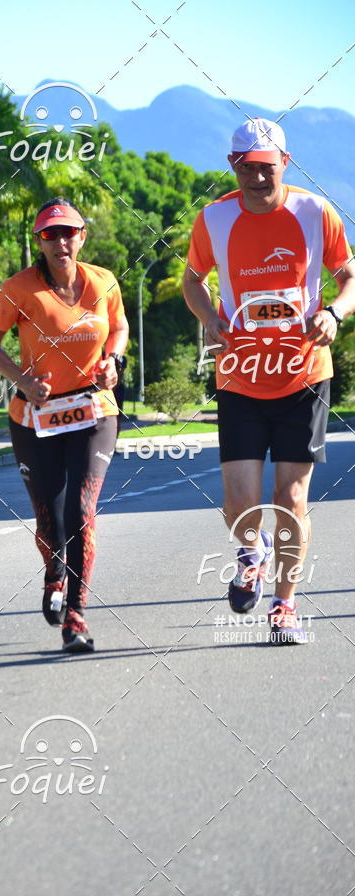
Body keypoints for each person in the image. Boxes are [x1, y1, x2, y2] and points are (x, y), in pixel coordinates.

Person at [183, 118, 355, 644]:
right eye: (246, 167)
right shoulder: (213, 219)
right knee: (239, 501)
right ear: (233, 165)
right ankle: (250, 551)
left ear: (285, 161)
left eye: (266, 166)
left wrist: (335, 312)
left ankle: (284, 604)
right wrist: (210, 318)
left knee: (291, 498)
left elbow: (348, 275)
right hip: (240, 374)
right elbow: (193, 279)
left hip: (303, 373)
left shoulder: (314, 211)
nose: (257, 178)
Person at [0, 198, 129, 652]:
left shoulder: (103, 282)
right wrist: (23, 379)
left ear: (82, 236)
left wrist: (112, 361)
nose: (60, 241)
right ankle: (54, 571)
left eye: (69, 232)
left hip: (94, 411)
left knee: (80, 514)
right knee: (49, 518)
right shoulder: (18, 289)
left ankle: (77, 617)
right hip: (34, 418)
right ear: (39, 241)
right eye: (50, 234)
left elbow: (119, 328)